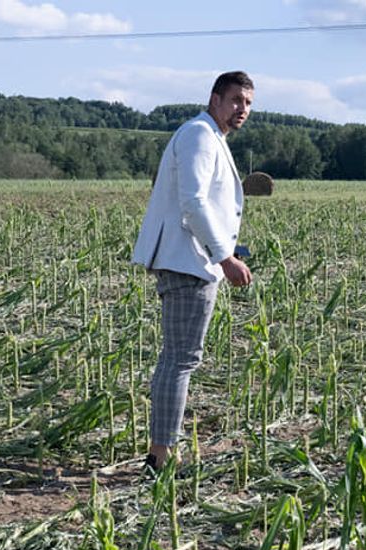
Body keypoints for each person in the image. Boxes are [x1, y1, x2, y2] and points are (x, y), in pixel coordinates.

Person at [131, 70, 255, 471]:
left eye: (248, 103)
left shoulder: (209, 136)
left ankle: (163, 450)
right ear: (215, 99)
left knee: (179, 357)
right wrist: (224, 257)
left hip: (193, 258)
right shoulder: (200, 134)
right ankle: (161, 456)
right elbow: (193, 203)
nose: (242, 109)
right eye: (236, 100)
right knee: (180, 359)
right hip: (189, 262)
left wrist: (229, 250)